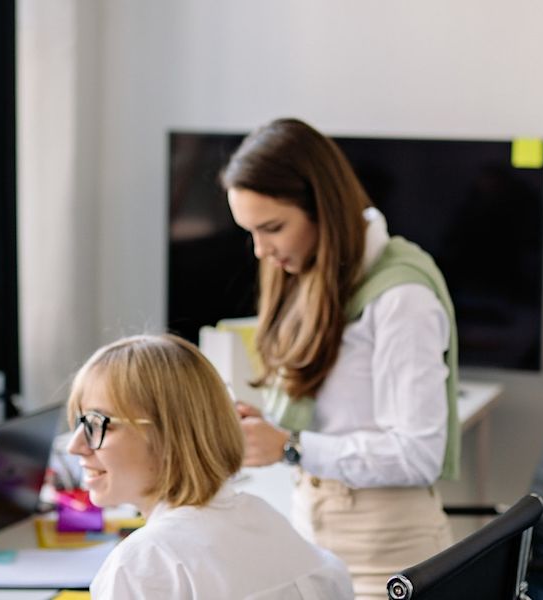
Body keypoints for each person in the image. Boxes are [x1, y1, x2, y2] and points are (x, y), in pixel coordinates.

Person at [220, 117, 462, 598]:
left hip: (386, 552)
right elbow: (338, 412)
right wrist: (266, 427)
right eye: (250, 232)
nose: (261, 250)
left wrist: (290, 445)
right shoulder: (313, 275)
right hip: (315, 529)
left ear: (323, 210)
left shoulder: (401, 297)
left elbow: (418, 454)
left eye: (272, 228)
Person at [66, 334, 352, 599]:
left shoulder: (142, 565)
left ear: (170, 435)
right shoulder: (267, 522)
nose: (75, 446)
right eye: (79, 423)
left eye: (96, 424)